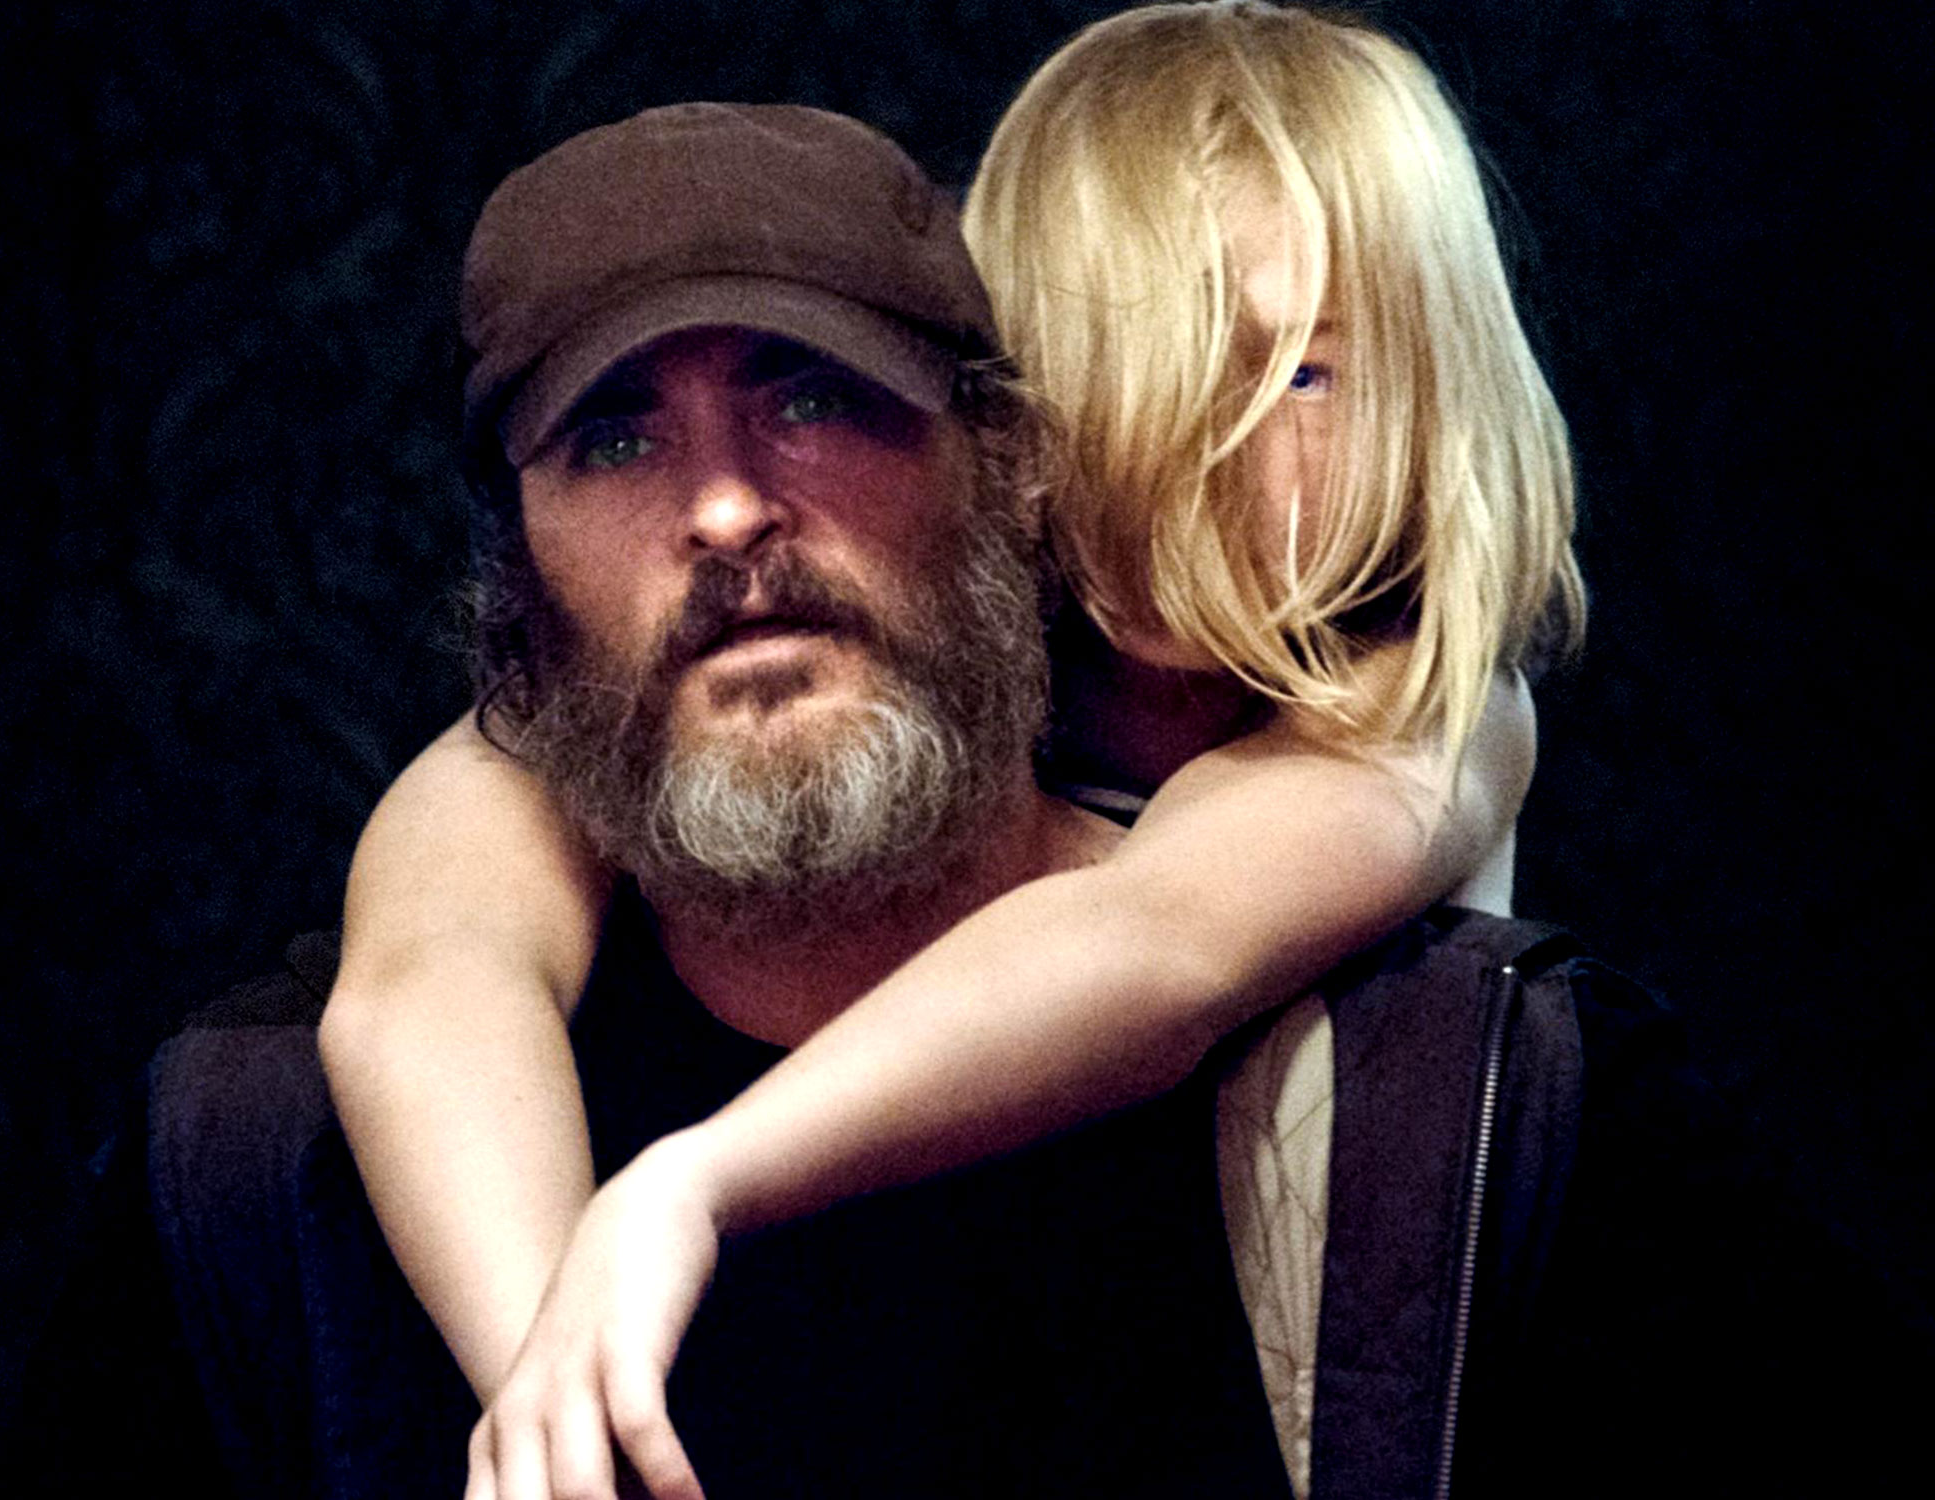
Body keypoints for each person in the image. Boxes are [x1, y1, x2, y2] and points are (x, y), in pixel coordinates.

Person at [315, 7, 1579, 1499]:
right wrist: (563, 1392)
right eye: (1132, 371)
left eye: (1297, 376)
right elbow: (425, 971)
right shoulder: (936, 636)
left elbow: (1155, 941)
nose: (1200, 448)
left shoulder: (1429, 711)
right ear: (1024, 422)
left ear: (1437, 394)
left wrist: (691, 1184)